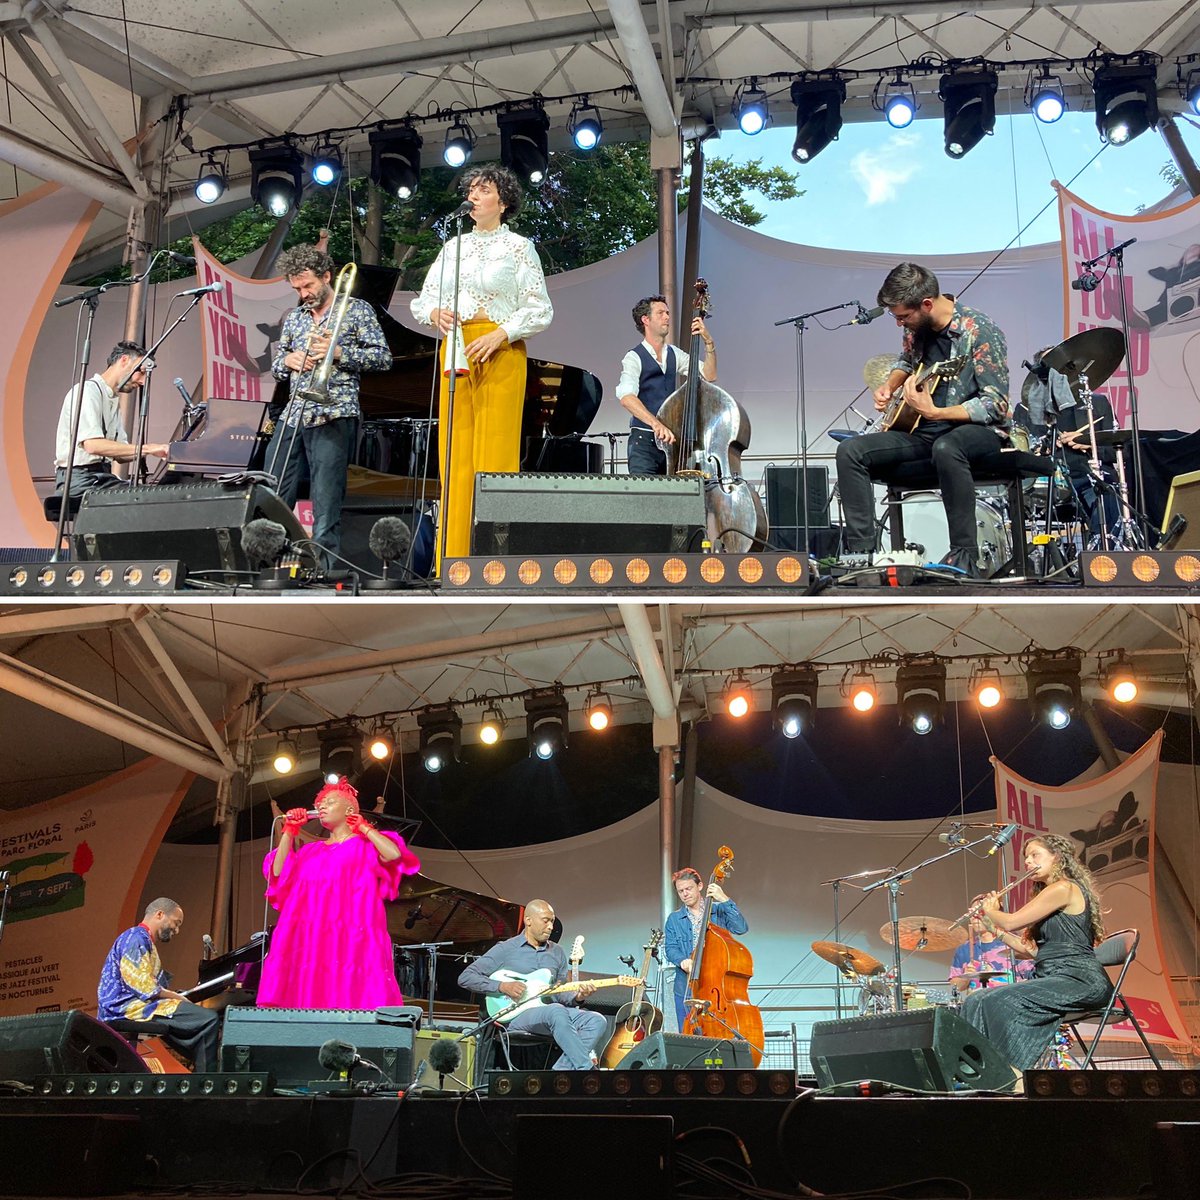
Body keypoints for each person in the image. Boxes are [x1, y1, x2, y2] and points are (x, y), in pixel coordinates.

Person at [410, 165, 554, 566]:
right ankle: (451, 558)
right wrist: (435, 312)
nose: (473, 195)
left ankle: (494, 560)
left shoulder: (519, 247)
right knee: (455, 455)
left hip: (500, 349)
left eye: (483, 190)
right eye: (471, 189)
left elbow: (540, 309)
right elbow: (422, 301)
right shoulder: (452, 247)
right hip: (455, 349)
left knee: (495, 455)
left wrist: (502, 334)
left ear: (503, 202)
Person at [835, 262, 1011, 577]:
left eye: (903, 316)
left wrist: (938, 412)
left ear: (926, 304)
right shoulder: (915, 328)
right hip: (924, 430)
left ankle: (964, 556)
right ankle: (862, 556)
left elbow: (995, 404)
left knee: (947, 447)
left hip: (977, 432)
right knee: (851, 451)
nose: (899, 323)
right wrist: (889, 388)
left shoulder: (980, 330)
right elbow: (907, 360)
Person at [267, 245, 391, 566]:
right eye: (297, 288)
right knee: (273, 495)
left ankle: (322, 571)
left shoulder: (357, 310)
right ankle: (269, 564)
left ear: (326, 276)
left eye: (308, 286)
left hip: (334, 413)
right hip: (294, 415)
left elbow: (382, 358)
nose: (303, 293)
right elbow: (278, 367)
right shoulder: (294, 318)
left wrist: (338, 354)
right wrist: (290, 360)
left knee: (326, 504)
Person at [256, 777, 421, 1009]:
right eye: (319, 803)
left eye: (330, 802)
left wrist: (364, 827)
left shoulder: (365, 846)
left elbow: (394, 855)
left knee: (349, 991)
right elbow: (277, 872)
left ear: (350, 809)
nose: (321, 806)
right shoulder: (310, 851)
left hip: (351, 933)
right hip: (311, 936)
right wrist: (289, 832)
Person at [960, 834, 1113, 1071]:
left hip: (1080, 979)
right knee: (976, 999)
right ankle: (975, 1069)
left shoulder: (1064, 888)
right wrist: (994, 929)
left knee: (1001, 1000)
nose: (1028, 862)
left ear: (1057, 857)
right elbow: (1029, 949)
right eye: (1026, 857)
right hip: (1055, 976)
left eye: (1035, 855)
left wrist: (991, 910)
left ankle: (1007, 1072)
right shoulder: (1052, 893)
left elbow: (1012, 922)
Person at [458, 899, 605, 1070]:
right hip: (514, 1015)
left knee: (596, 1020)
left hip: (548, 1014)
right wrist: (502, 986)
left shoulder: (557, 952)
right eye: (545, 920)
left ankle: (559, 1074)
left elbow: (559, 992)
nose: (551, 926)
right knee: (556, 1011)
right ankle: (586, 1069)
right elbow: (466, 977)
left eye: (552, 921)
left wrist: (578, 996)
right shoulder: (506, 949)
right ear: (528, 920)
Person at [97, 897, 220, 1071]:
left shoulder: (142, 939)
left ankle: (203, 1071)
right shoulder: (135, 937)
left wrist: (176, 996)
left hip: (135, 1005)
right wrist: (177, 997)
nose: (176, 930)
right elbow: (144, 987)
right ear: (160, 914)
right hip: (125, 1008)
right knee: (209, 1020)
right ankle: (207, 1081)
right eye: (176, 923)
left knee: (194, 1027)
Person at [617, 295, 717, 475]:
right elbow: (626, 398)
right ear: (645, 320)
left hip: (671, 445)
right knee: (645, 498)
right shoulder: (634, 357)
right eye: (661, 313)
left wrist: (708, 341)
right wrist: (656, 424)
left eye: (668, 313)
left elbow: (709, 375)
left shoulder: (674, 354)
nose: (667, 317)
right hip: (644, 443)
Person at [54, 340, 170, 495]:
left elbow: (121, 455)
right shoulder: (87, 392)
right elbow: (92, 445)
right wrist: (148, 448)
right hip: (77, 481)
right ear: (124, 360)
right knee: (147, 497)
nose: (143, 381)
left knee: (153, 493)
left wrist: (159, 451)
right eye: (141, 372)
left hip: (100, 478)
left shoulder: (112, 400)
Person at [664, 867, 748, 1032]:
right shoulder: (674, 919)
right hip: (686, 985)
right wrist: (682, 961)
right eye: (681, 891)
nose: (685, 894)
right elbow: (670, 948)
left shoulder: (718, 910)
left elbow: (741, 928)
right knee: (687, 1032)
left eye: (689, 888)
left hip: (718, 983)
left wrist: (724, 899)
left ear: (700, 886)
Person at [948, 915, 1033, 994]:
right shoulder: (964, 949)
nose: (975, 916)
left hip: (1010, 1001)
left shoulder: (1013, 944)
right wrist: (966, 978)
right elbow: (955, 988)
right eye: (972, 914)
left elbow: (1031, 979)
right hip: (978, 1005)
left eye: (980, 912)